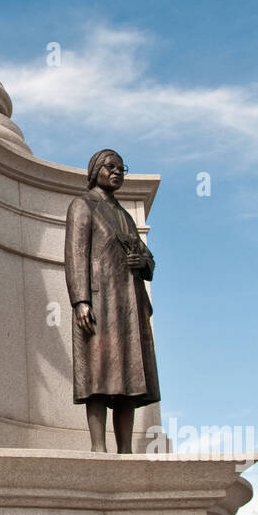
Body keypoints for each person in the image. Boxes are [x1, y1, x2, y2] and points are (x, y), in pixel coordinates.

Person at [64, 148, 160, 453]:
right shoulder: (83, 205)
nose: (117, 172)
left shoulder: (124, 216)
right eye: (111, 166)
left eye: (122, 168)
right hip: (99, 302)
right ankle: (98, 447)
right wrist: (80, 301)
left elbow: (149, 260)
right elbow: (76, 254)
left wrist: (141, 263)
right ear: (96, 171)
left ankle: (126, 449)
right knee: (98, 375)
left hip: (129, 305)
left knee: (128, 377)